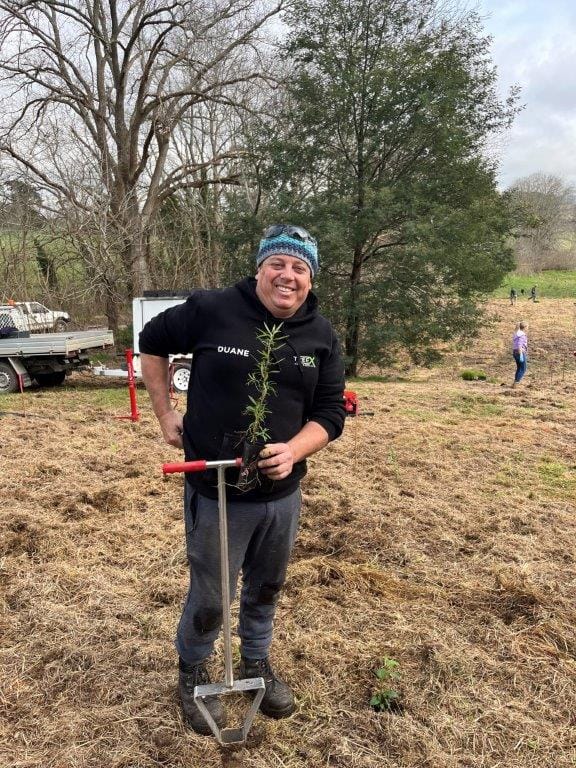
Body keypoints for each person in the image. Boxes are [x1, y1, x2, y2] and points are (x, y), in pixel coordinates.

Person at [139, 224, 346, 735]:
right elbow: (151, 342)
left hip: (281, 494)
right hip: (215, 489)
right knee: (212, 595)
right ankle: (192, 669)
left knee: (266, 587)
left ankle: (256, 661)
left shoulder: (320, 335)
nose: (287, 275)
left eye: (299, 267)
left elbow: (330, 412)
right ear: (259, 269)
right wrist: (165, 414)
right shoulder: (213, 309)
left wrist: (294, 450)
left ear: (310, 278)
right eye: (278, 263)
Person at [512, 321, 528, 387]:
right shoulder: (522, 335)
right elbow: (519, 344)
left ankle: (515, 382)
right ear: (525, 327)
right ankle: (516, 383)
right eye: (527, 327)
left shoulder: (516, 334)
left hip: (515, 352)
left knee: (519, 368)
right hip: (520, 352)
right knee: (523, 368)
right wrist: (521, 354)